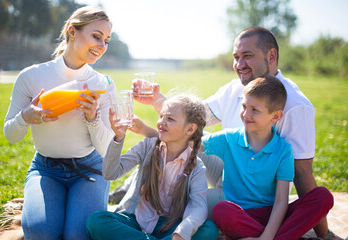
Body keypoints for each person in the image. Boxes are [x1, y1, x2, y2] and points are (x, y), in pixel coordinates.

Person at [125, 26, 342, 240]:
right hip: (229, 184)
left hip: (267, 195)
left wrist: (325, 234)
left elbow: (302, 174)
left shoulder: (294, 107)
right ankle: (133, 206)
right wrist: (157, 100)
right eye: (236, 57)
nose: (239, 65)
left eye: (247, 56)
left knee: (321, 197)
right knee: (179, 146)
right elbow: (191, 124)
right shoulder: (235, 91)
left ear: (272, 56)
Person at [4, 6, 115, 240]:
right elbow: (10, 135)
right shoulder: (31, 77)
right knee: (40, 233)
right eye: (96, 36)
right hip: (46, 169)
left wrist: (93, 119)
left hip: (91, 169)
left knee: (78, 235)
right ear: (72, 32)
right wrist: (25, 117)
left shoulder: (102, 83)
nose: (102, 46)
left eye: (106, 40)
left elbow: (106, 150)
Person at [202, 75, 333, 240]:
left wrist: (266, 237)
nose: (246, 114)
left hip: (273, 215)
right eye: (244, 106)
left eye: (254, 110)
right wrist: (162, 134)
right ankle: (284, 237)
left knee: (323, 196)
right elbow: (192, 144)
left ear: (276, 116)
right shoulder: (228, 138)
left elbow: (280, 202)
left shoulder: (283, 150)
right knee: (222, 210)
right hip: (241, 215)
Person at [86, 94, 219, 240]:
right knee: (96, 220)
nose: (161, 122)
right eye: (161, 116)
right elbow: (110, 174)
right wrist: (118, 138)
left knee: (209, 230)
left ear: (190, 129)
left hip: (171, 226)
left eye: (170, 119)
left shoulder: (196, 167)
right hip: (135, 220)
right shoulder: (147, 147)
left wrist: (181, 232)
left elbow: (198, 206)